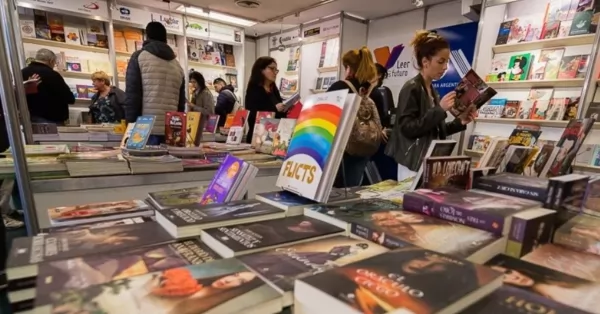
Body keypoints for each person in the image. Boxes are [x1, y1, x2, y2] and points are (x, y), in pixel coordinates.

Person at [385, 30, 477, 182]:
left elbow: (435, 131)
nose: (445, 67)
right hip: (413, 163)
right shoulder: (412, 88)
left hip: (428, 162)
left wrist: (459, 122)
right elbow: (407, 128)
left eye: (447, 62)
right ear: (425, 62)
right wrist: (439, 110)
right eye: (441, 62)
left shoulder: (433, 91)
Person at [327, 47, 383, 188]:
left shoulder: (339, 87)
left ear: (349, 68)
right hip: (364, 148)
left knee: (336, 192)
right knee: (352, 187)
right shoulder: (375, 92)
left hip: (342, 151)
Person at [124, 21, 186, 145]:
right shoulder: (177, 66)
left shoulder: (139, 57)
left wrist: (130, 126)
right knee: (168, 163)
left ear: (147, 36)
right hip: (171, 129)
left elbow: (132, 95)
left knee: (144, 163)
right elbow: (180, 104)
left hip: (144, 128)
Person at [21, 48, 75, 125]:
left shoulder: (22, 72)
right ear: (51, 61)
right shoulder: (53, 74)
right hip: (51, 119)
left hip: (29, 117)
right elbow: (68, 97)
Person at [244, 56, 286, 143]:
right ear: (261, 70)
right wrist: (275, 109)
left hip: (274, 136)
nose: (275, 72)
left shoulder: (273, 89)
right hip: (258, 138)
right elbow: (253, 116)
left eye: (276, 70)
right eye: (272, 69)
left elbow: (279, 111)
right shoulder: (254, 89)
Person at [187, 71, 215, 136]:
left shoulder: (205, 93)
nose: (192, 84)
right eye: (191, 82)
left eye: (194, 82)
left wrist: (193, 106)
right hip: (195, 124)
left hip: (204, 127)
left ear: (199, 81)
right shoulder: (195, 93)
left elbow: (209, 112)